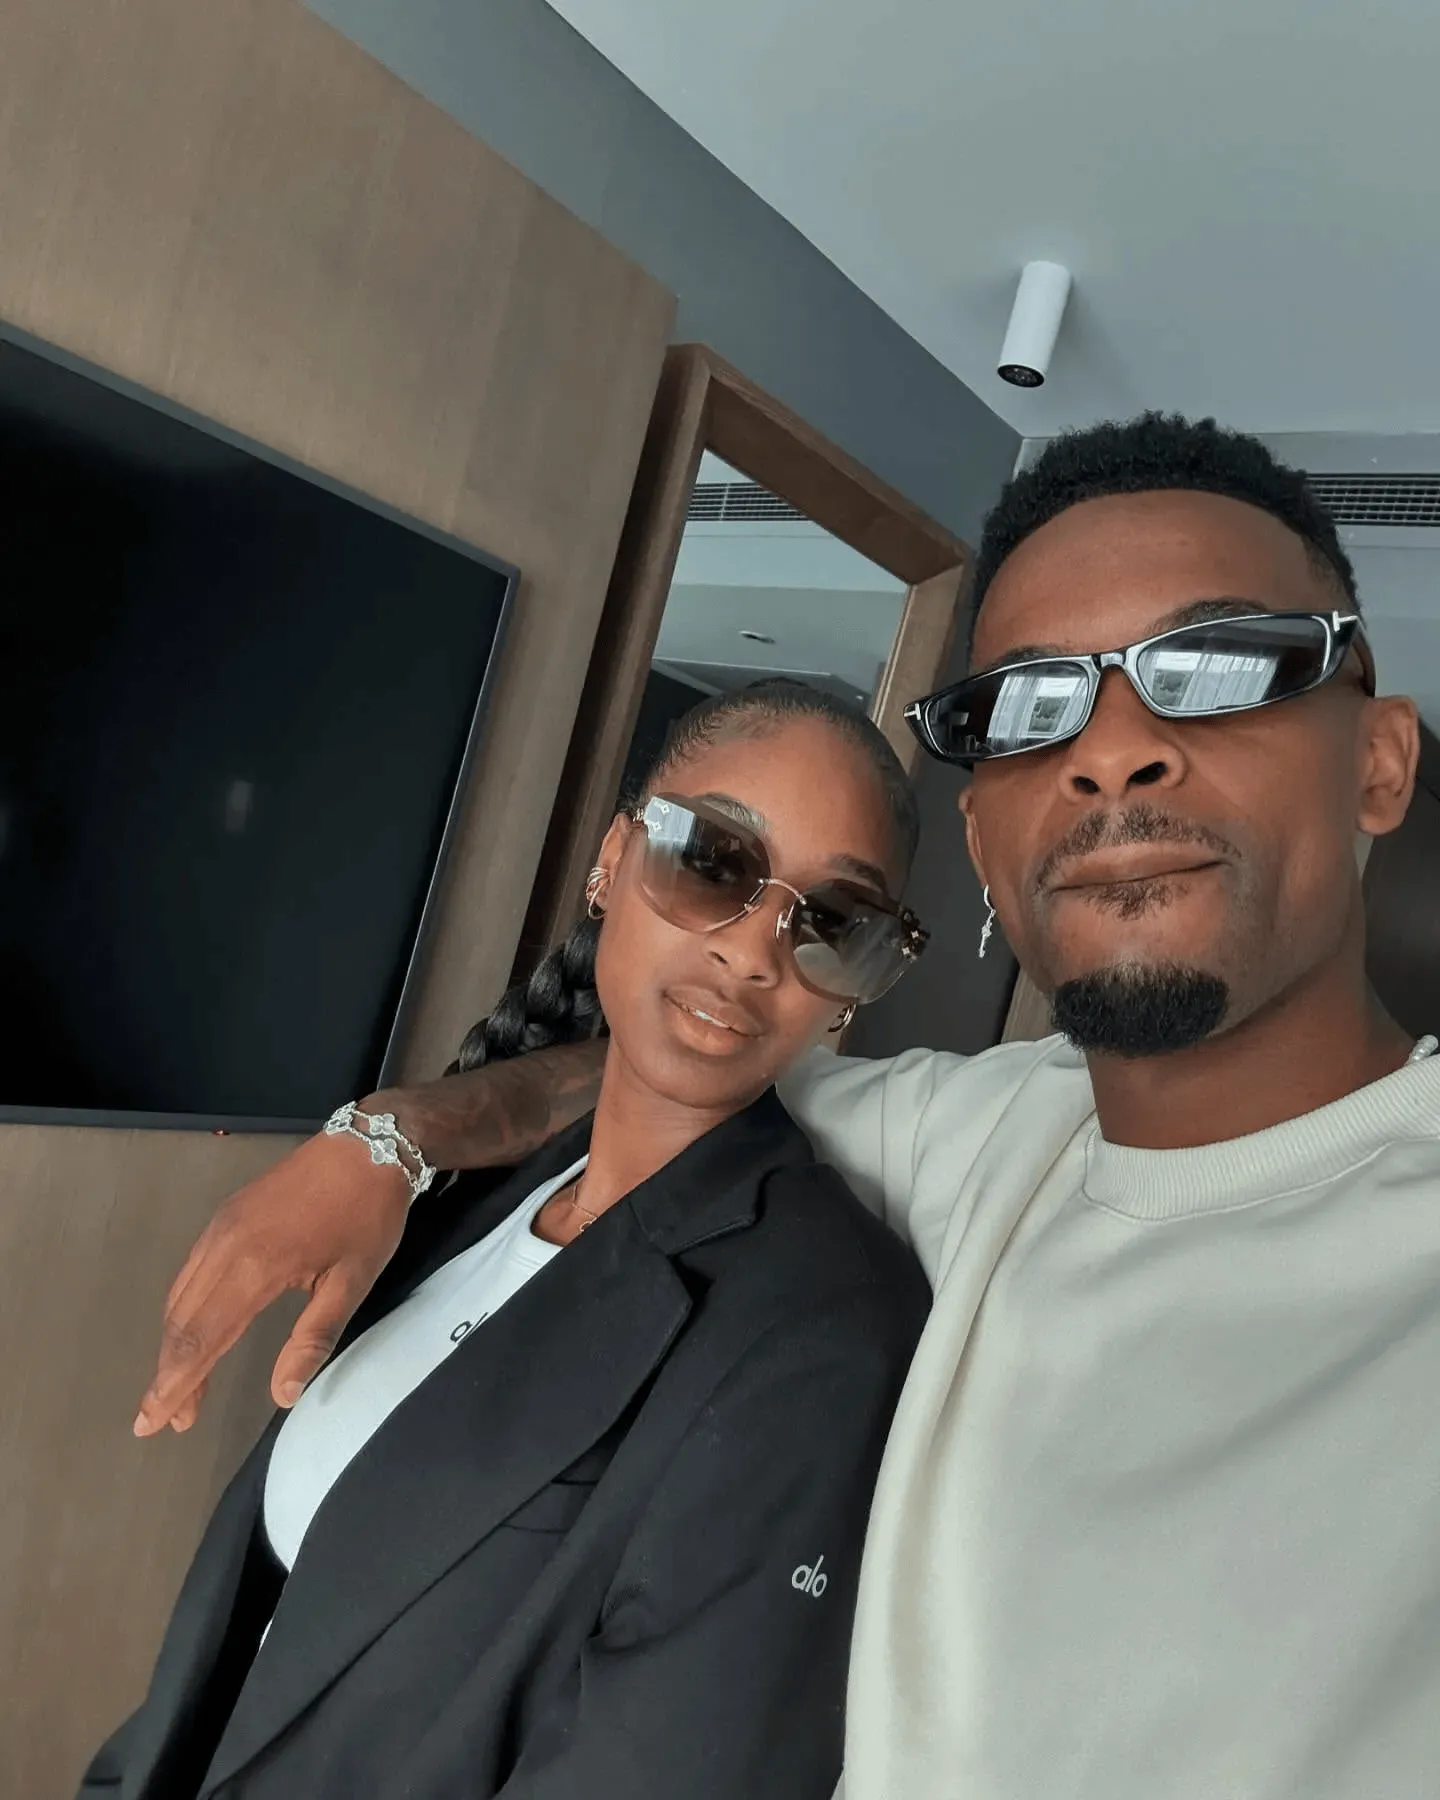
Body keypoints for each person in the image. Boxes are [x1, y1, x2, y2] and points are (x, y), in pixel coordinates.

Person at [132, 415, 1440, 1799]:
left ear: (1380, 762)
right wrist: (387, 1139)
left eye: (1219, 665)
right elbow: (670, 1061)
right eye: (1027, 705)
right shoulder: (972, 1136)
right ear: (983, 839)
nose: (1113, 752)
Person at [84, 682, 933, 1799]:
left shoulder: (822, 1328)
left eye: (832, 921)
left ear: (850, 994)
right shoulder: (469, 1192)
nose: (755, 952)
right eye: (713, 863)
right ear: (612, 860)